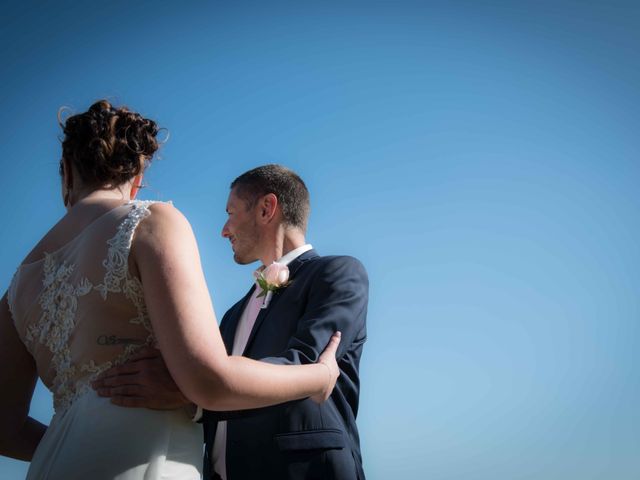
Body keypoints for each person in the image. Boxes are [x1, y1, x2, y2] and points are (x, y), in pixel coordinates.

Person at [0, 101, 342, 480]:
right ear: (137, 178)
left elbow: (4, 429)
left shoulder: (20, 281)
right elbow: (209, 382)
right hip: (141, 459)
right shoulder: (148, 221)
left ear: (65, 171)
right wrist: (321, 376)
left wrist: (74, 445)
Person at [95, 164, 369, 479]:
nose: (224, 230)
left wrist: (195, 394)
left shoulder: (338, 273)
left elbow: (304, 367)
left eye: (230, 212)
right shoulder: (232, 314)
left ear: (267, 208)